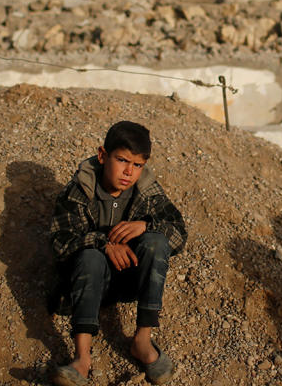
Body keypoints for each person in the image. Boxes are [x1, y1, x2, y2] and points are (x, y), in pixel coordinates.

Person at [49, 120, 187, 386]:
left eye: (137, 165)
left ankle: (143, 341)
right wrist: (103, 244)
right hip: (84, 285)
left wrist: (146, 225)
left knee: (157, 242)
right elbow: (60, 243)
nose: (129, 172)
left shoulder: (146, 191)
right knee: (90, 256)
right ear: (102, 155)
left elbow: (180, 233)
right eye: (122, 160)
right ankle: (82, 358)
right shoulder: (79, 190)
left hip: (128, 280)